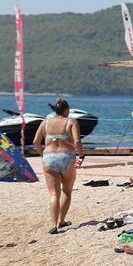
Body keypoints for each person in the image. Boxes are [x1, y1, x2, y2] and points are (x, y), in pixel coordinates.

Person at [33, 99, 84, 234]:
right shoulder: (71, 122)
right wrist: (81, 156)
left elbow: (36, 142)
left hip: (49, 158)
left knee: (54, 194)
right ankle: (62, 220)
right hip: (67, 157)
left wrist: (42, 155)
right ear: (66, 110)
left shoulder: (45, 122)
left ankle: (54, 225)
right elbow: (77, 141)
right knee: (66, 191)